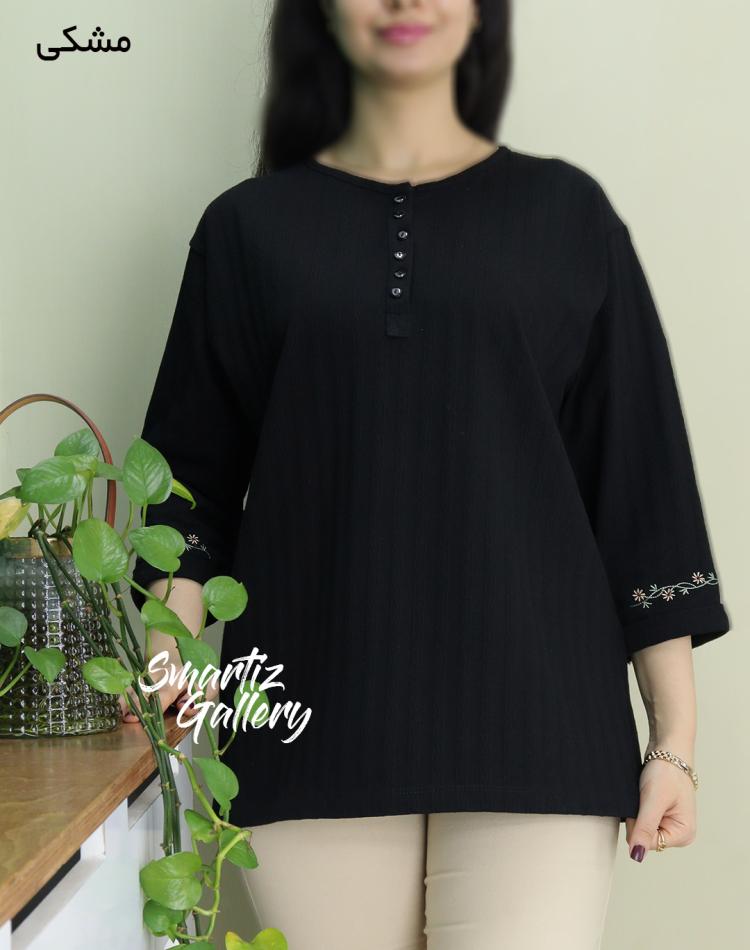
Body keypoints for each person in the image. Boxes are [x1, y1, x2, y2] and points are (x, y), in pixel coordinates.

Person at [124, 1, 732, 947]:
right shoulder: (245, 230)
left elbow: (639, 490)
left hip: (543, 730)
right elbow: (187, 494)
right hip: (300, 722)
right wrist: (172, 671)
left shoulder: (569, 215)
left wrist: (675, 745)